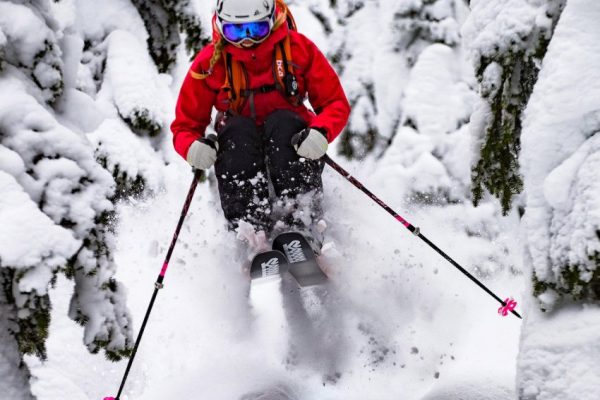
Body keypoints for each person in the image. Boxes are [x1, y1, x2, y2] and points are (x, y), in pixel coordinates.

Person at [171, 0, 350, 253]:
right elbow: (185, 124)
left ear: (271, 21)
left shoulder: (298, 50)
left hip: (290, 142)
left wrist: (321, 132)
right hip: (240, 150)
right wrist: (192, 147)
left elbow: (334, 102)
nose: (245, 40)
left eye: (255, 30)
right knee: (236, 131)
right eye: (235, 32)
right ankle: (250, 235)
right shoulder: (211, 62)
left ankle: (302, 224)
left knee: (283, 121)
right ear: (221, 27)